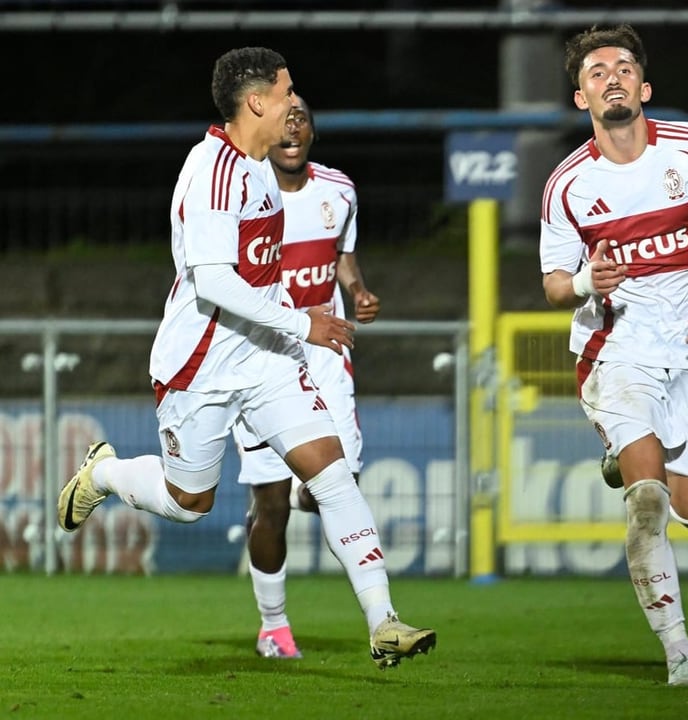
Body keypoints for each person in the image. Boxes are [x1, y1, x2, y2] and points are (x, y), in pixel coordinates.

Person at [56, 46, 435, 669]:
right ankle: (104, 474)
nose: (294, 103)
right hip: (200, 364)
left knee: (331, 472)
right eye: (287, 92)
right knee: (188, 503)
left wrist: (294, 329)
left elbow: (261, 276)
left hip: (266, 358)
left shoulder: (260, 168)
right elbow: (213, 281)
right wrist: (303, 321)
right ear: (256, 101)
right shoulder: (211, 172)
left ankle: (384, 621)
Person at [539, 25, 688, 686]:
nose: (610, 77)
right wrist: (586, 282)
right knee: (647, 499)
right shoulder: (568, 185)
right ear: (581, 94)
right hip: (616, 352)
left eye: (622, 67)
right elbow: (554, 283)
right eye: (595, 71)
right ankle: (678, 652)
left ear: (644, 87)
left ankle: (626, 451)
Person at [234, 98, 382, 659]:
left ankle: (308, 489)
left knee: (337, 489)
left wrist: (359, 291)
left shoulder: (338, 190)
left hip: (326, 356)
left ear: (313, 132)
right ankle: (274, 625)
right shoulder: (242, 195)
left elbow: (343, 258)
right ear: (268, 131)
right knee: (270, 504)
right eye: (284, 117)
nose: (293, 126)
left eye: (302, 118)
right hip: (262, 355)